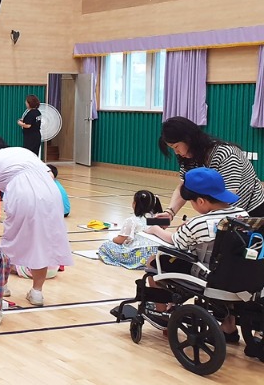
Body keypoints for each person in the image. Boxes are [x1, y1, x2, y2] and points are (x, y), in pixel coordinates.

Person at [143, 167, 247, 337]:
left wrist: (154, 229)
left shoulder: (198, 223)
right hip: (237, 274)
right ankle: (229, 326)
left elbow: (175, 241)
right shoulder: (242, 214)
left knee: (154, 262)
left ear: (200, 201)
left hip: (207, 274)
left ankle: (162, 311)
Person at [0, 133, 72, 306]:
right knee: (42, 243)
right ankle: (37, 293)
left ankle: (2, 286)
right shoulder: (23, 152)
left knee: (10, 240)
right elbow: (50, 175)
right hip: (51, 194)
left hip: (22, 194)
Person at [158, 116, 264, 219]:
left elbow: (227, 198)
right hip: (223, 215)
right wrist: (169, 213)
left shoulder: (226, 154)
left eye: (176, 146)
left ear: (188, 138)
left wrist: (199, 223)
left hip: (253, 212)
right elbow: (184, 188)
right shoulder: (189, 158)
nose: (176, 152)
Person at [97, 190, 163, 269]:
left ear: (135, 204)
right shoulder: (156, 219)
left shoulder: (131, 220)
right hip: (155, 253)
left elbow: (120, 240)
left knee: (105, 246)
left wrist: (112, 239)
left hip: (139, 254)